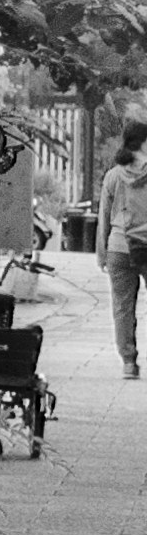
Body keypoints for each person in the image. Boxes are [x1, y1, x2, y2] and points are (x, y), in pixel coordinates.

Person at [102, 143, 147, 375]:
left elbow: (104, 216)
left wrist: (102, 252)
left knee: (122, 307)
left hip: (118, 246)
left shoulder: (113, 176)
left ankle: (128, 362)